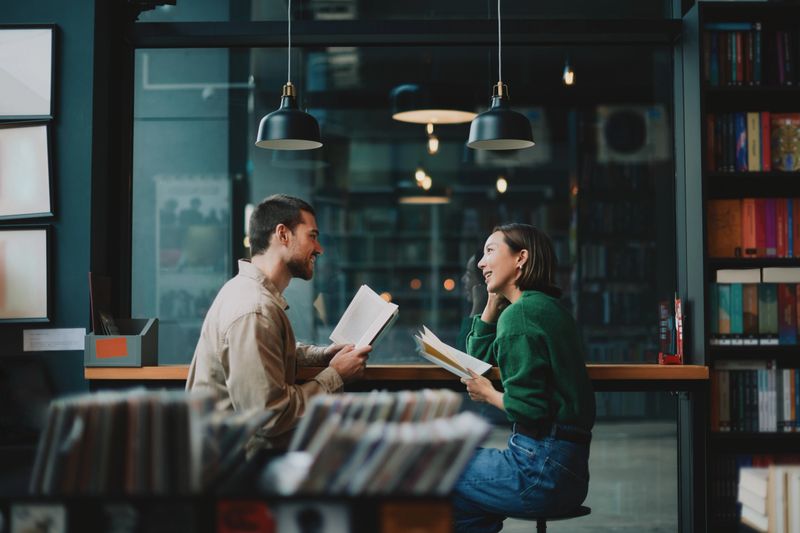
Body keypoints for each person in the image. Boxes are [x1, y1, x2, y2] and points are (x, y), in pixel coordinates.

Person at [186, 194, 371, 451]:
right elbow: (269, 416)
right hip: (238, 468)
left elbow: (268, 352)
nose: (319, 249)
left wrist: (323, 355)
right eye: (312, 236)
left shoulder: (249, 295)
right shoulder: (254, 311)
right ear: (283, 235)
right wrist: (336, 375)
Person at [453, 223, 596, 533]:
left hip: (541, 471)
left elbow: (529, 408)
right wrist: (492, 302)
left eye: (490, 251)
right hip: (567, 468)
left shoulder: (520, 316)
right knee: (466, 495)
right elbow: (476, 360)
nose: (480, 263)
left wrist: (487, 393)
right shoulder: (544, 308)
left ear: (521, 258)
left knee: (439, 469)